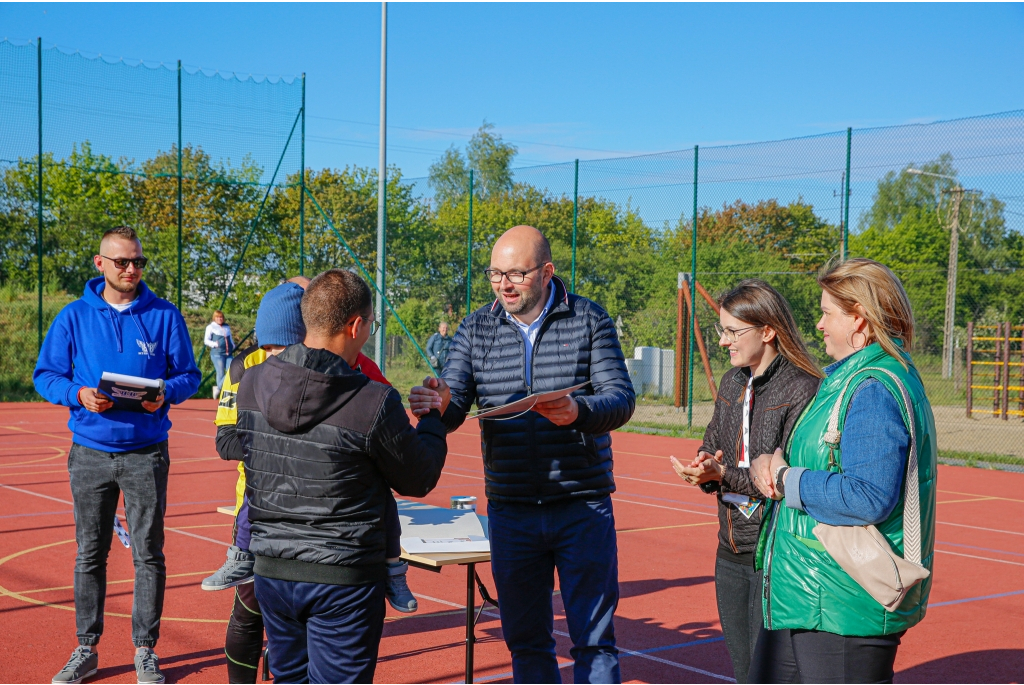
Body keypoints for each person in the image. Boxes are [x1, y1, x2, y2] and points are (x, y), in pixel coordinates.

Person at [410, 225, 636, 684]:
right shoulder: (475, 327)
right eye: (495, 273)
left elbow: (621, 399)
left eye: (516, 273)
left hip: (582, 506)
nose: (504, 284)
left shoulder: (590, 320)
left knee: (594, 642)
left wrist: (577, 411)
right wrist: (437, 402)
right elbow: (454, 406)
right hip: (512, 511)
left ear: (547, 271)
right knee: (526, 641)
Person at [234, 269, 448, 684]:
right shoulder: (371, 399)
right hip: (343, 577)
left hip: (273, 569)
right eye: (371, 324)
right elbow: (418, 478)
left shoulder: (252, 382)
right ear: (355, 325)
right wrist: (433, 418)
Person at [747, 258, 938, 684]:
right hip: (813, 593)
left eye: (828, 313)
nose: (818, 325)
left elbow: (867, 495)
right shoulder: (850, 379)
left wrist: (784, 479)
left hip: (842, 601)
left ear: (861, 321)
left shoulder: (872, 387)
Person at [34, 226, 201, 685]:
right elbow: (45, 375)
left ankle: (145, 650)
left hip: (147, 454)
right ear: (100, 264)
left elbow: (190, 375)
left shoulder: (165, 316)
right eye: (123, 262)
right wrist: (78, 394)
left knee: (149, 553)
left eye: (138, 262)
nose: (132, 270)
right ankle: (86, 648)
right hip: (89, 451)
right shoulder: (73, 317)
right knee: (90, 553)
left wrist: (164, 393)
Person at [669, 280, 821, 684]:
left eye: (732, 332)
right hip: (731, 550)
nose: (722, 342)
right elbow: (714, 442)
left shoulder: (803, 388)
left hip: (777, 554)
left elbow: (780, 479)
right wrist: (704, 466)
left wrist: (724, 475)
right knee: (744, 671)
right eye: (721, 331)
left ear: (768, 330)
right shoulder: (734, 381)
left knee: (770, 675)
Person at [205, 310, 235, 398]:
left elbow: (230, 338)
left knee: (233, 370)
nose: (220, 319)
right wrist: (215, 344)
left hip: (228, 353)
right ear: (214, 318)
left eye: (221, 317)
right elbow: (206, 340)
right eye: (217, 317)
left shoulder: (226, 327)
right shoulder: (211, 327)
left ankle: (218, 388)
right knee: (220, 373)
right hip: (217, 354)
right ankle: (222, 391)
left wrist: (232, 345)